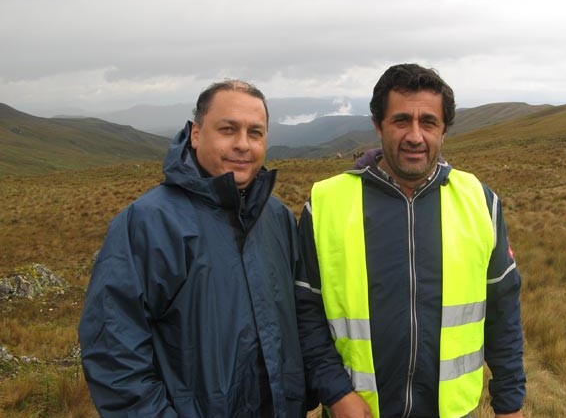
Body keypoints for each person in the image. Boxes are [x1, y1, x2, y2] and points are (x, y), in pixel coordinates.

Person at [296, 64, 526, 417]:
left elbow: (503, 308)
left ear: (444, 130)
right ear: (378, 125)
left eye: (429, 123)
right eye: (401, 121)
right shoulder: (326, 204)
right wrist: (338, 392)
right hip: (358, 412)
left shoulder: (480, 201)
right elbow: (305, 311)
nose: (415, 136)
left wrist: (510, 404)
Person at [79, 79, 307, 417]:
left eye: (255, 133)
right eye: (228, 129)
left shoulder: (277, 218)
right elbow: (114, 349)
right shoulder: (148, 222)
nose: (243, 144)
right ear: (196, 134)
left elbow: (300, 321)